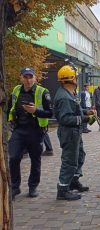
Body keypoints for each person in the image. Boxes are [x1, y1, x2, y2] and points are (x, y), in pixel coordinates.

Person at [8, 67, 53, 199]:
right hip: (19, 130)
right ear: (21, 77)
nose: (28, 80)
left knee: (35, 159)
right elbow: (10, 107)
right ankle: (15, 187)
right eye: (25, 77)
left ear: (35, 78)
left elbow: (50, 113)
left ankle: (33, 186)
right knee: (14, 157)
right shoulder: (16, 90)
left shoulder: (43, 92)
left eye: (30, 77)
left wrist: (35, 111)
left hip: (36, 131)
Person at [54, 65, 92, 201]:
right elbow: (65, 118)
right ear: (70, 79)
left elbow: (74, 110)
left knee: (80, 156)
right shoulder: (64, 97)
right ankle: (63, 189)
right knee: (69, 160)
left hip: (75, 132)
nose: (77, 79)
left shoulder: (70, 93)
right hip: (69, 133)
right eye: (75, 77)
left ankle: (73, 180)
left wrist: (86, 112)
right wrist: (85, 118)